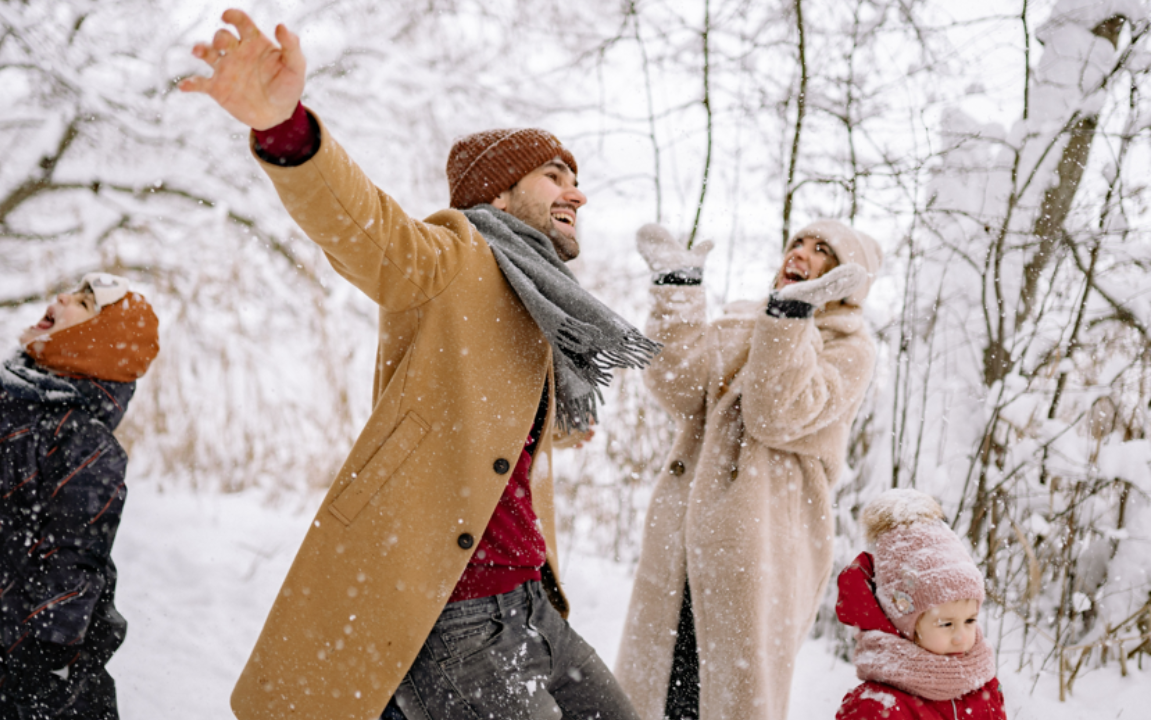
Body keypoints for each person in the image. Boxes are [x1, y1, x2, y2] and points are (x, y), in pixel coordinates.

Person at [178, 9, 657, 720]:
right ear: (497, 192)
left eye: (576, 178)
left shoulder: (540, 303)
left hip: (533, 605)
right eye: (554, 175)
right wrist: (287, 130)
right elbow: (364, 227)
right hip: (457, 615)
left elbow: (474, 422)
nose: (576, 192)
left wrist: (548, 429)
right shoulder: (451, 256)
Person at [615, 220, 881, 720]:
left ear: (849, 279)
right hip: (683, 534)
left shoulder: (850, 349)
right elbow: (678, 383)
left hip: (762, 543)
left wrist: (792, 318)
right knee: (663, 687)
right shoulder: (748, 319)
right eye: (796, 243)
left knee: (730, 691)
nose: (800, 254)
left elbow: (774, 413)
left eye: (822, 249)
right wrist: (679, 292)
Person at [0, 273, 160, 719]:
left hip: (63, 654)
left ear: (94, 339)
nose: (61, 297)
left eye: (82, 302)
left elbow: (76, 556)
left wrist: (50, 654)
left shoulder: (85, 442)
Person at [834, 489, 1006, 719]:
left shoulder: (983, 687)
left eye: (969, 620)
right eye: (946, 624)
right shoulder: (877, 706)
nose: (961, 636)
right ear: (905, 625)